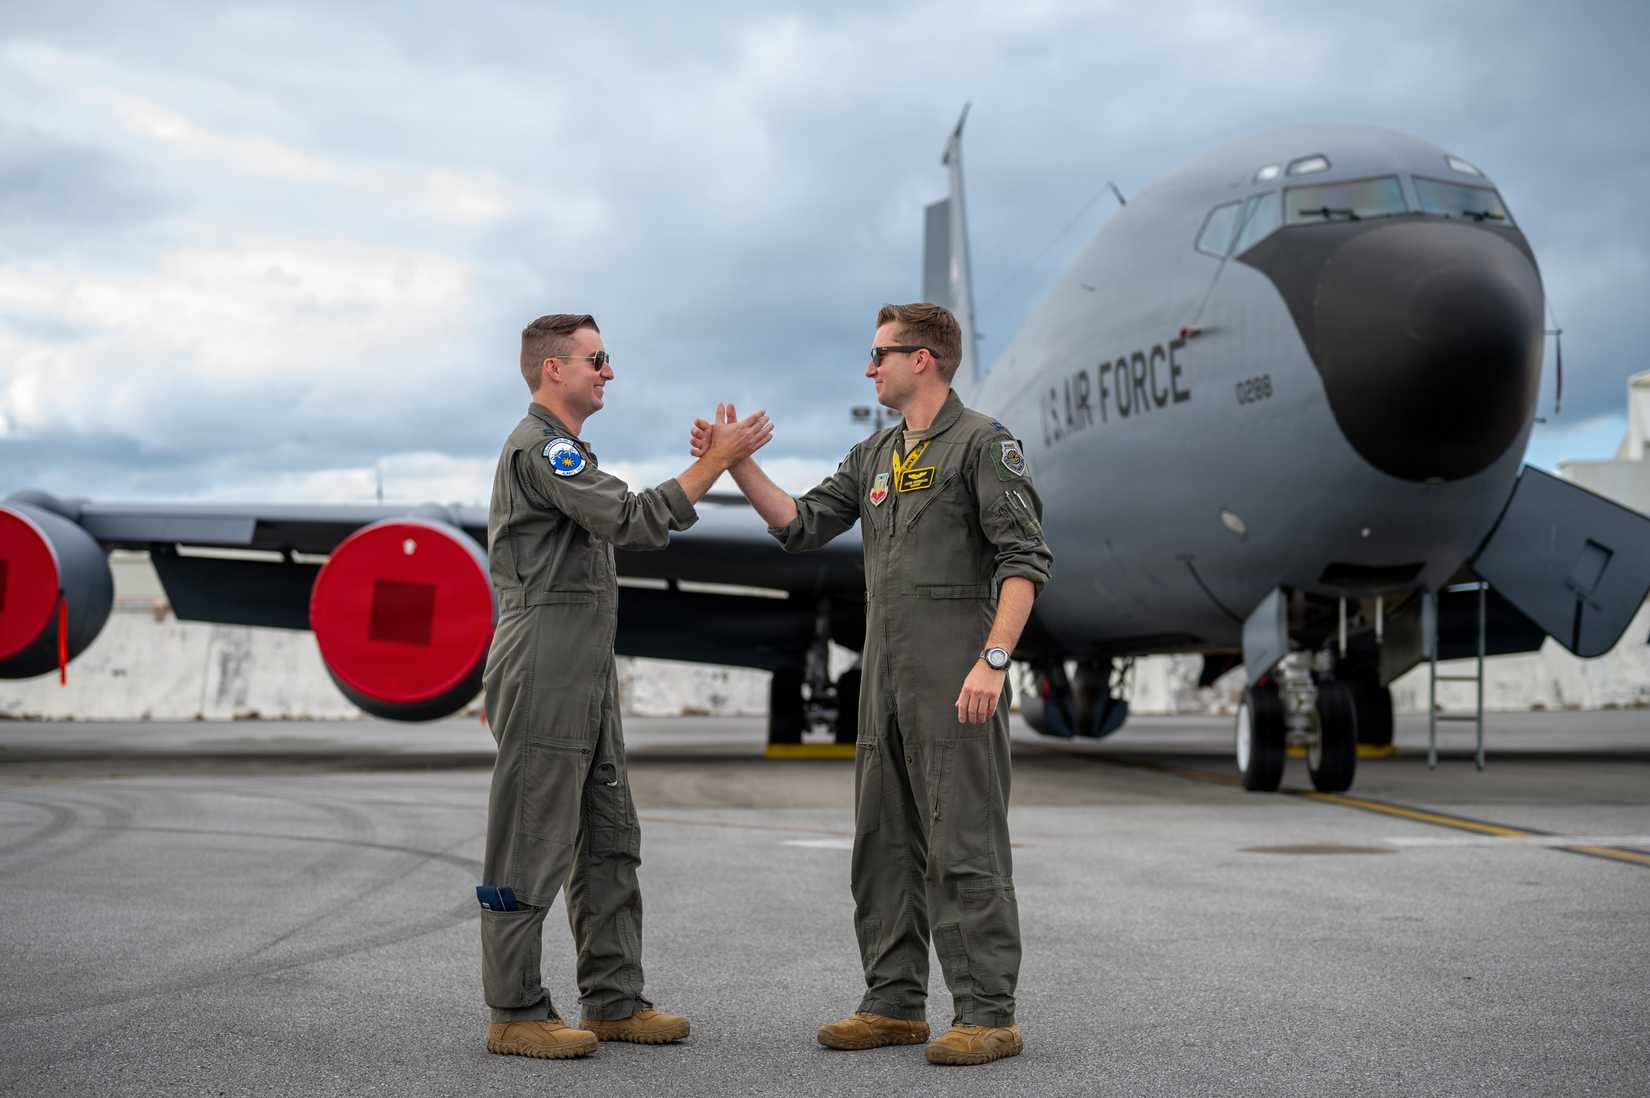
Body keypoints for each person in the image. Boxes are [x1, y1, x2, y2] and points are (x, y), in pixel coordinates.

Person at [692, 302, 1053, 1067]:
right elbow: (799, 524)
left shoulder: (984, 446)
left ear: (922, 358)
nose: (869, 367)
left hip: (957, 675)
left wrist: (992, 662)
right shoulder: (876, 455)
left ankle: (988, 1013)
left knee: (964, 844)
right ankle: (893, 1003)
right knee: (882, 846)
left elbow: (1024, 562)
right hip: (884, 680)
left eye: (880, 353)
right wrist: (735, 464)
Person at [479, 313, 771, 1060]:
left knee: (610, 838)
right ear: (554, 369)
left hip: (582, 667)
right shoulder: (544, 450)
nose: (608, 371)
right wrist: (719, 463)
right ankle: (514, 1010)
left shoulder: (570, 450)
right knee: (531, 839)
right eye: (597, 359)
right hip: (545, 663)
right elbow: (634, 520)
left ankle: (611, 999)